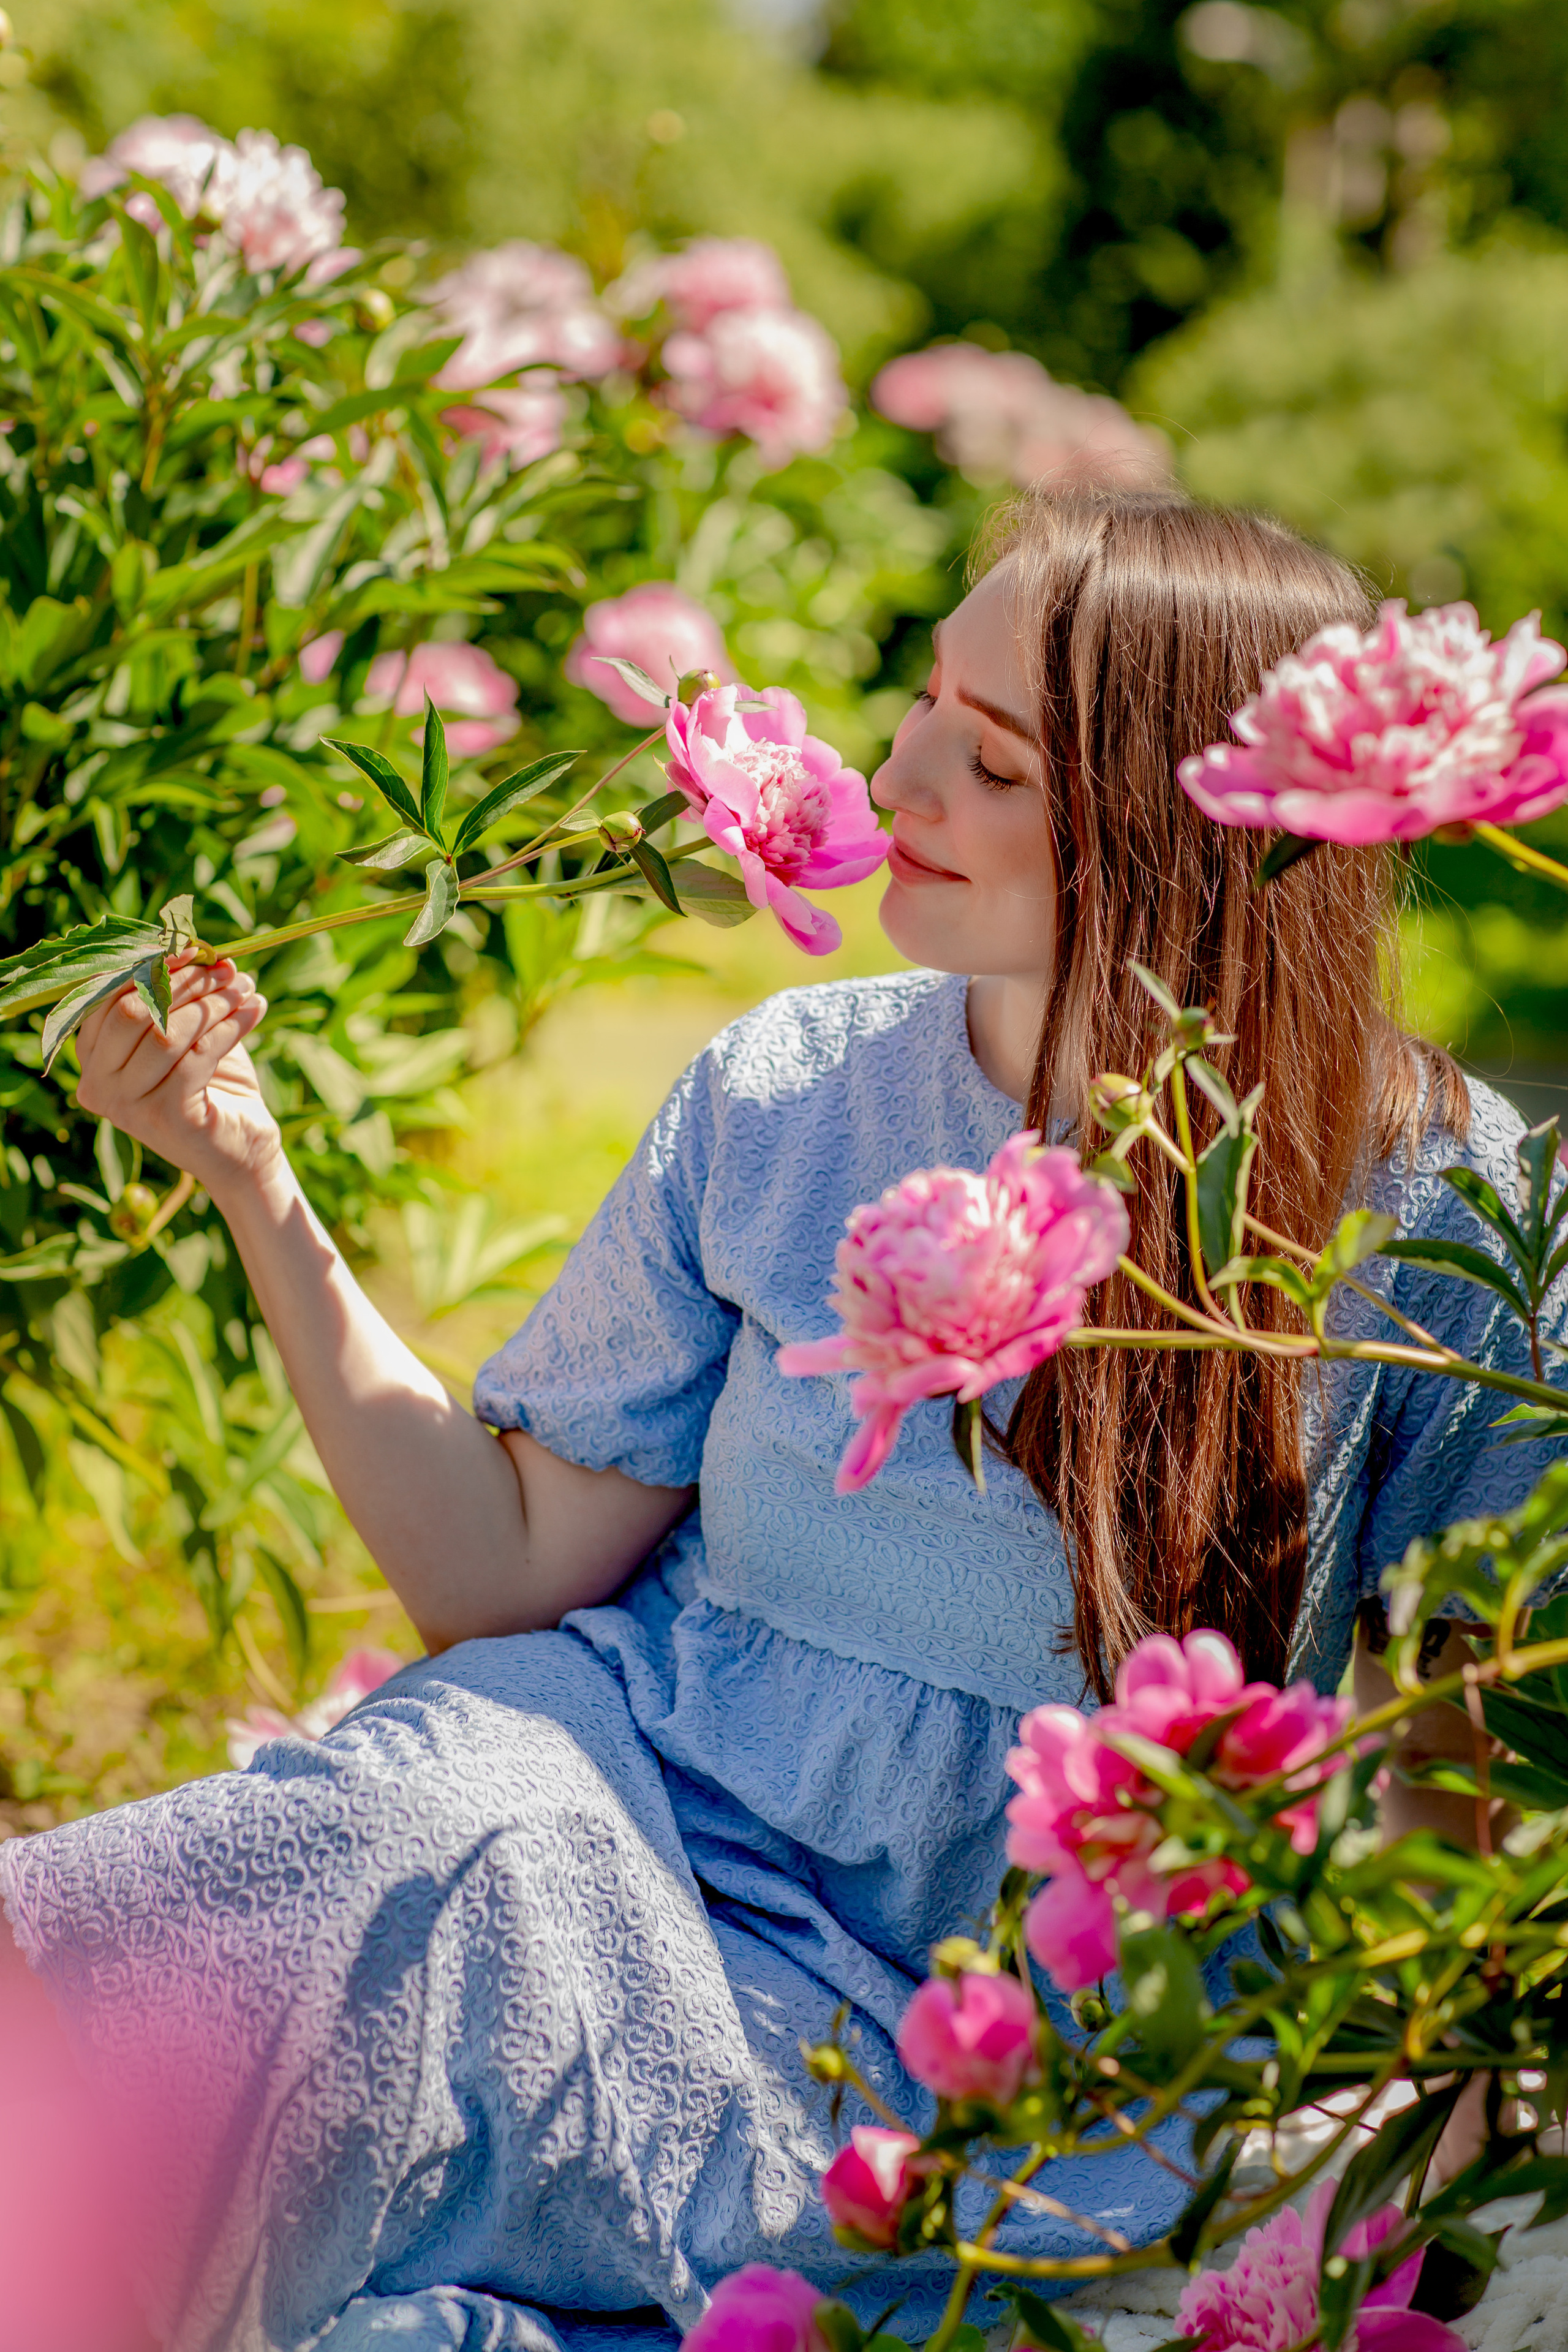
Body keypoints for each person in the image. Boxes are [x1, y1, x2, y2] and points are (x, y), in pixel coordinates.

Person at [1, 489, 1553, 2352]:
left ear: (1185, 836)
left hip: (1015, 2060)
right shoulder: (788, 1092)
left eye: (987, 761)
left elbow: (1466, 1745)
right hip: (609, 1829)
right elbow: (504, 1572)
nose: (890, 771)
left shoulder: (1436, 1211)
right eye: (918, 702)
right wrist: (252, 1180)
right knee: (336, 1878)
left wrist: (1428, 2203)